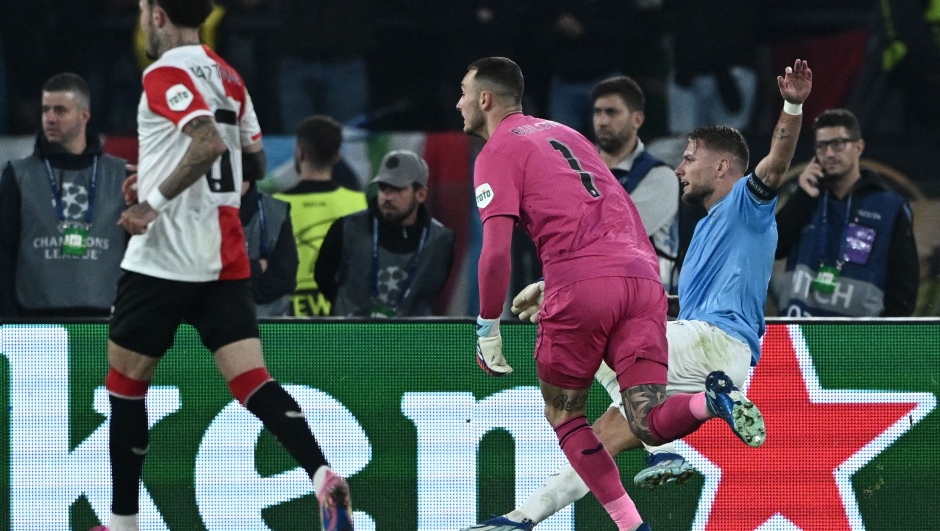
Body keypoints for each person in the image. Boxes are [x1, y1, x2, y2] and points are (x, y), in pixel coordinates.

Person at [464, 59, 813, 530]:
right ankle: (523, 518)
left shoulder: (747, 204)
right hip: (711, 357)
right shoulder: (711, 229)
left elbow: (776, 162)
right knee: (603, 436)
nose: (681, 167)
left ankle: (663, 449)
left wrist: (792, 104)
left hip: (710, 341)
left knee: (588, 363)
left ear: (723, 165)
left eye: (691, 157)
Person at [96, 2, 353, 530]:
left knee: (126, 383)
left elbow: (208, 143)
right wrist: (156, 172)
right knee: (253, 379)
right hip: (224, 257)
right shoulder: (229, 75)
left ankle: (123, 524)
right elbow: (252, 161)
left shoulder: (164, 72)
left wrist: (153, 200)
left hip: (164, 257)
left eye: (144, 9)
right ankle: (321, 474)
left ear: (158, 14)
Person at [0, 73, 128, 318]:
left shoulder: (120, 174)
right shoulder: (18, 175)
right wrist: (9, 319)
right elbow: (4, 252)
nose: (50, 118)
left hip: (107, 319)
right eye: (45, 110)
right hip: (35, 320)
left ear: (84, 115)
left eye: (60, 110)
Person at [775, 108, 919, 317]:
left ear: (858, 147)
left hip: (860, 342)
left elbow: (904, 288)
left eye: (838, 144)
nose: (829, 153)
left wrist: (886, 340)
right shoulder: (805, 200)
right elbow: (774, 249)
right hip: (798, 339)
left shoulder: (889, 208)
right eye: (821, 146)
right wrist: (802, 196)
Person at [315, 150, 455, 317]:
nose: (387, 197)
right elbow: (323, 276)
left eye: (397, 189)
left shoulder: (440, 241)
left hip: (409, 340)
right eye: (383, 187)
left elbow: (435, 292)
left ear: (421, 194)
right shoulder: (347, 227)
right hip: (352, 338)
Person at [592, 75, 692, 292]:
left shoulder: (660, 177)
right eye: (597, 112)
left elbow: (615, 236)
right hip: (591, 298)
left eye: (612, 112)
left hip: (649, 304)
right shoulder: (580, 170)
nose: (602, 121)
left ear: (637, 120)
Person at [275, 115, 367, 317]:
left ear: (300, 153)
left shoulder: (273, 206)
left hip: (284, 320)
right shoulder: (361, 204)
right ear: (337, 156)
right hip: (344, 317)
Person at [240, 180, 298, 317]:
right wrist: (254, 268)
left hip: (268, 325)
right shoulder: (199, 209)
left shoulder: (275, 211)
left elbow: (284, 279)